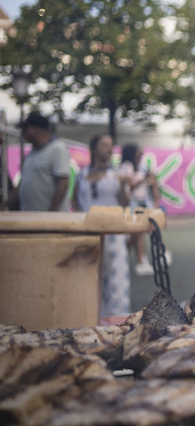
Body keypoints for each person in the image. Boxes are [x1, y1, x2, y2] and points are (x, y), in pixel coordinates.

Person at [72, 134, 131, 319]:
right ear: (93, 148)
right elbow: (74, 201)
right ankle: (90, 316)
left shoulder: (117, 174)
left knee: (115, 277)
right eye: (104, 144)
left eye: (111, 145)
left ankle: (116, 319)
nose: (109, 148)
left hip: (113, 233)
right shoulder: (82, 174)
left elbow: (125, 203)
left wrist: (124, 187)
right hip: (89, 232)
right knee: (89, 274)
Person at [2, 111, 70, 212]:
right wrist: (4, 206)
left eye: (25, 129)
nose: (23, 133)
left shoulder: (57, 149)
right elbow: (22, 184)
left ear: (37, 129)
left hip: (51, 217)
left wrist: (54, 208)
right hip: (30, 216)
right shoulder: (32, 154)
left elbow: (63, 181)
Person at [118, 143, 162, 276]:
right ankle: (137, 260)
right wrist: (144, 177)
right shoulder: (126, 167)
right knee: (135, 233)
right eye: (138, 154)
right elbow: (129, 187)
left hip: (141, 203)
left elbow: (153, 187)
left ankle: (139, 260)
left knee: (139, 233)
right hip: (131, 204)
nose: (140, 156)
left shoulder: (139, 167)